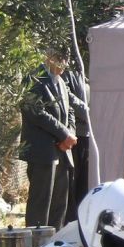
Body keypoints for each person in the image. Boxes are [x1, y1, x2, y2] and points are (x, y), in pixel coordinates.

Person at [21, 48, 76, 228]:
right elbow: (34, 111)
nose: (64, 64)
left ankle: (56, 241)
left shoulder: (61, 82)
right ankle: (36, 246)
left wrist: (70, 134)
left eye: (66, 59)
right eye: (60, 58)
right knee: (41, 202)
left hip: (62, 152)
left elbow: (70, 110)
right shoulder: (34, 79)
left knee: (59, 202)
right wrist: (63, 133)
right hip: (43, 152)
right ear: (49, 56)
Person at [63, 62, 92, 224]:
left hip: (87, 133)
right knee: (73, 183)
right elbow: (68, 97)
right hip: (76, 135)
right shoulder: (67, 73)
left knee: (83, 183)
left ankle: (82, 221)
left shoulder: (82, 71)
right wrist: (89, 112)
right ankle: (72, 221)